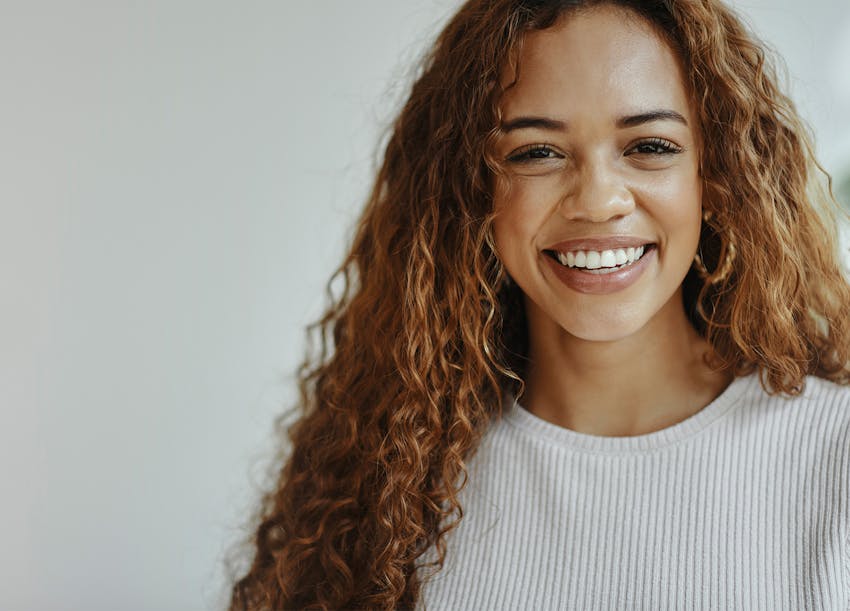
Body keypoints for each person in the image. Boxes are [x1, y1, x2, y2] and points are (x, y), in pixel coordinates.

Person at [229, 0, 850, 608]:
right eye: (536, 153)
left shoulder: (835, 457)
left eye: (650, 146)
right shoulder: (389, 481)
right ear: (474, 191)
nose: (597, 200)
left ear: (715, 178)